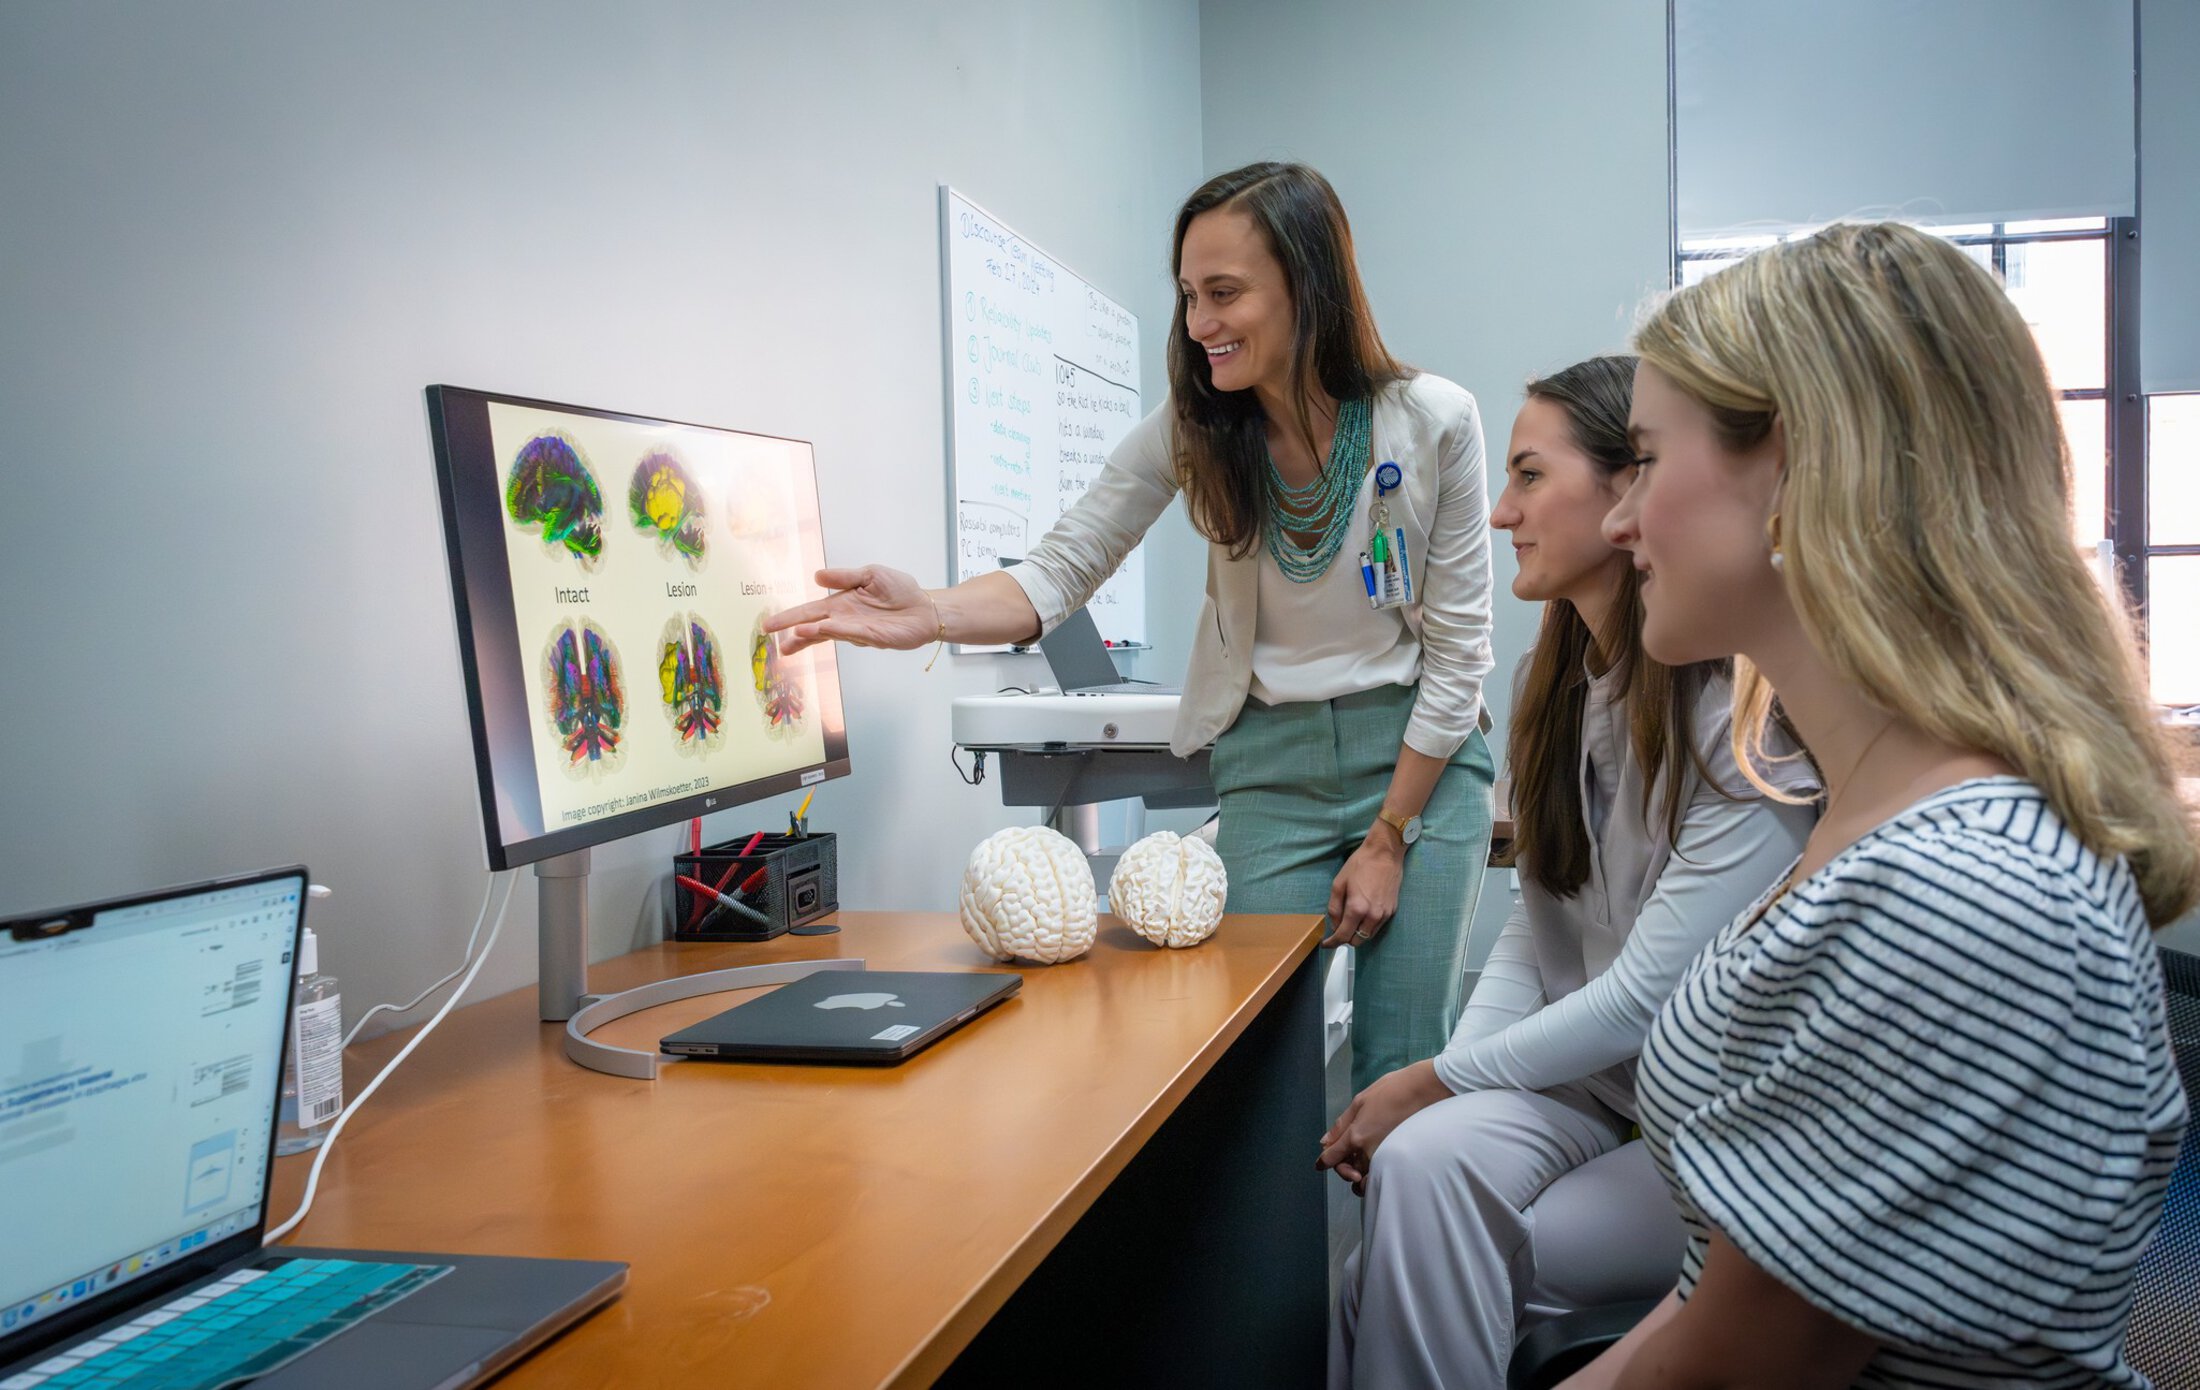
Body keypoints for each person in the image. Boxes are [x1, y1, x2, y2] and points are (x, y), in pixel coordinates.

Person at [1563, 221, 2196, 1389]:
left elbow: (1732, 1368)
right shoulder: (1883, 826)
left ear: (1798, 465)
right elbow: (1725, 1289)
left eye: (1646, 460)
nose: (1618, 521)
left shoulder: (1964, 892)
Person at [767, 162, 1496, 1092]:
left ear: (1308, 287)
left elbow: (1462, 651)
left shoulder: (1434, 420)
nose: (1199, 325)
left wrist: (1390, 835)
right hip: (1271, 766)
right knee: (1254, 1072)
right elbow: (1062, 566)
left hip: (1421, 769)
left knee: (1400, 1076)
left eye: (1225, 294)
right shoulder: (1192, 429)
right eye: (1190, 296)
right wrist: (933, 613)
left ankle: (1401, 1241)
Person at [1319, 355, 1819, 1388]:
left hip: (1704, 1121)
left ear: (1624, 487)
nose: (1501, 512)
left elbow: (1643, 996)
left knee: (1407, 1253)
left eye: (1529, 477)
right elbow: (1531, 930)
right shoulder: (1552, 685)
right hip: (1592, 1092)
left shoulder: (1731, 716)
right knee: (1412, 1186)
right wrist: (1447, 1090)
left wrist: (1430, 1080)